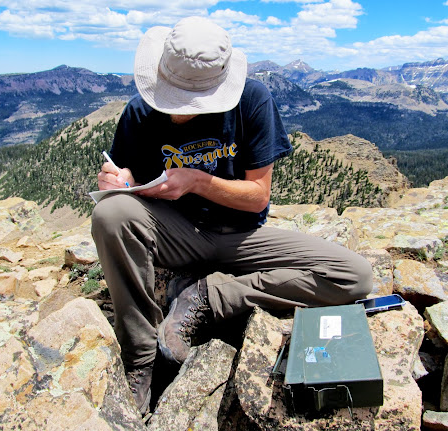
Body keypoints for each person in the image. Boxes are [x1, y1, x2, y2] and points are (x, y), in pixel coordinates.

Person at [91, 16, 373, 416]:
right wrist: (118, 181)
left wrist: (198, 182)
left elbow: (258, 198)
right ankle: (141, 360)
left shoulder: (253, 100)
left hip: (242, 236)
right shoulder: (138, 114)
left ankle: (209, 296)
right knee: (110, 212)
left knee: (354, 276)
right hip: (176, 233)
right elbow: (129, 180)